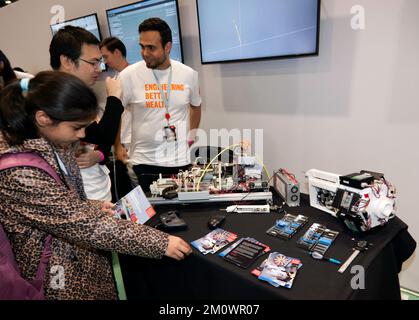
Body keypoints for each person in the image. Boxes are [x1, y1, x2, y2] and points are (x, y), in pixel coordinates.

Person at [0, 71, 192, 300]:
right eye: (77, 127)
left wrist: (88, 206)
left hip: (80, 263)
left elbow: (62, 204)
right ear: (43, 118)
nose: (83, 134)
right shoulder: (19, 172)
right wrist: (161, 243)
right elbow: (85, 225)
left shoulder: (52, 140)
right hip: (55, 277)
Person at [117, 17, 202, 193]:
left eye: (151, 48)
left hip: (180, 160)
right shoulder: (128, 76)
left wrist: (191, 136)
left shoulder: (188, 75)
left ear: (168, 47)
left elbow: (196, 106)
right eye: (142, 46)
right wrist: (117, 145)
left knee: (183, 213)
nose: (145, 53)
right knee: (150, 216)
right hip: (144, 161)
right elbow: (115, 112)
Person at [50, 26, 124, 201]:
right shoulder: (57, 97)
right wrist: (114, 98)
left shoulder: (78, 94)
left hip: (96, 188)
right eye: (93, 63)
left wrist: (99, 154)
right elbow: (103, 135)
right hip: (80, 197)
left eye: (100, 62)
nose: (98, 69)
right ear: (67, 61)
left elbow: (99, 140)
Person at [100, 37, 136, 201]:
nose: (104, 62)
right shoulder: (114, 81)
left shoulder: (137, 76)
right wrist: (117, 145)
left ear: (117, 52)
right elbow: (116, 116)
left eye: (106, 56)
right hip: (127, 142)